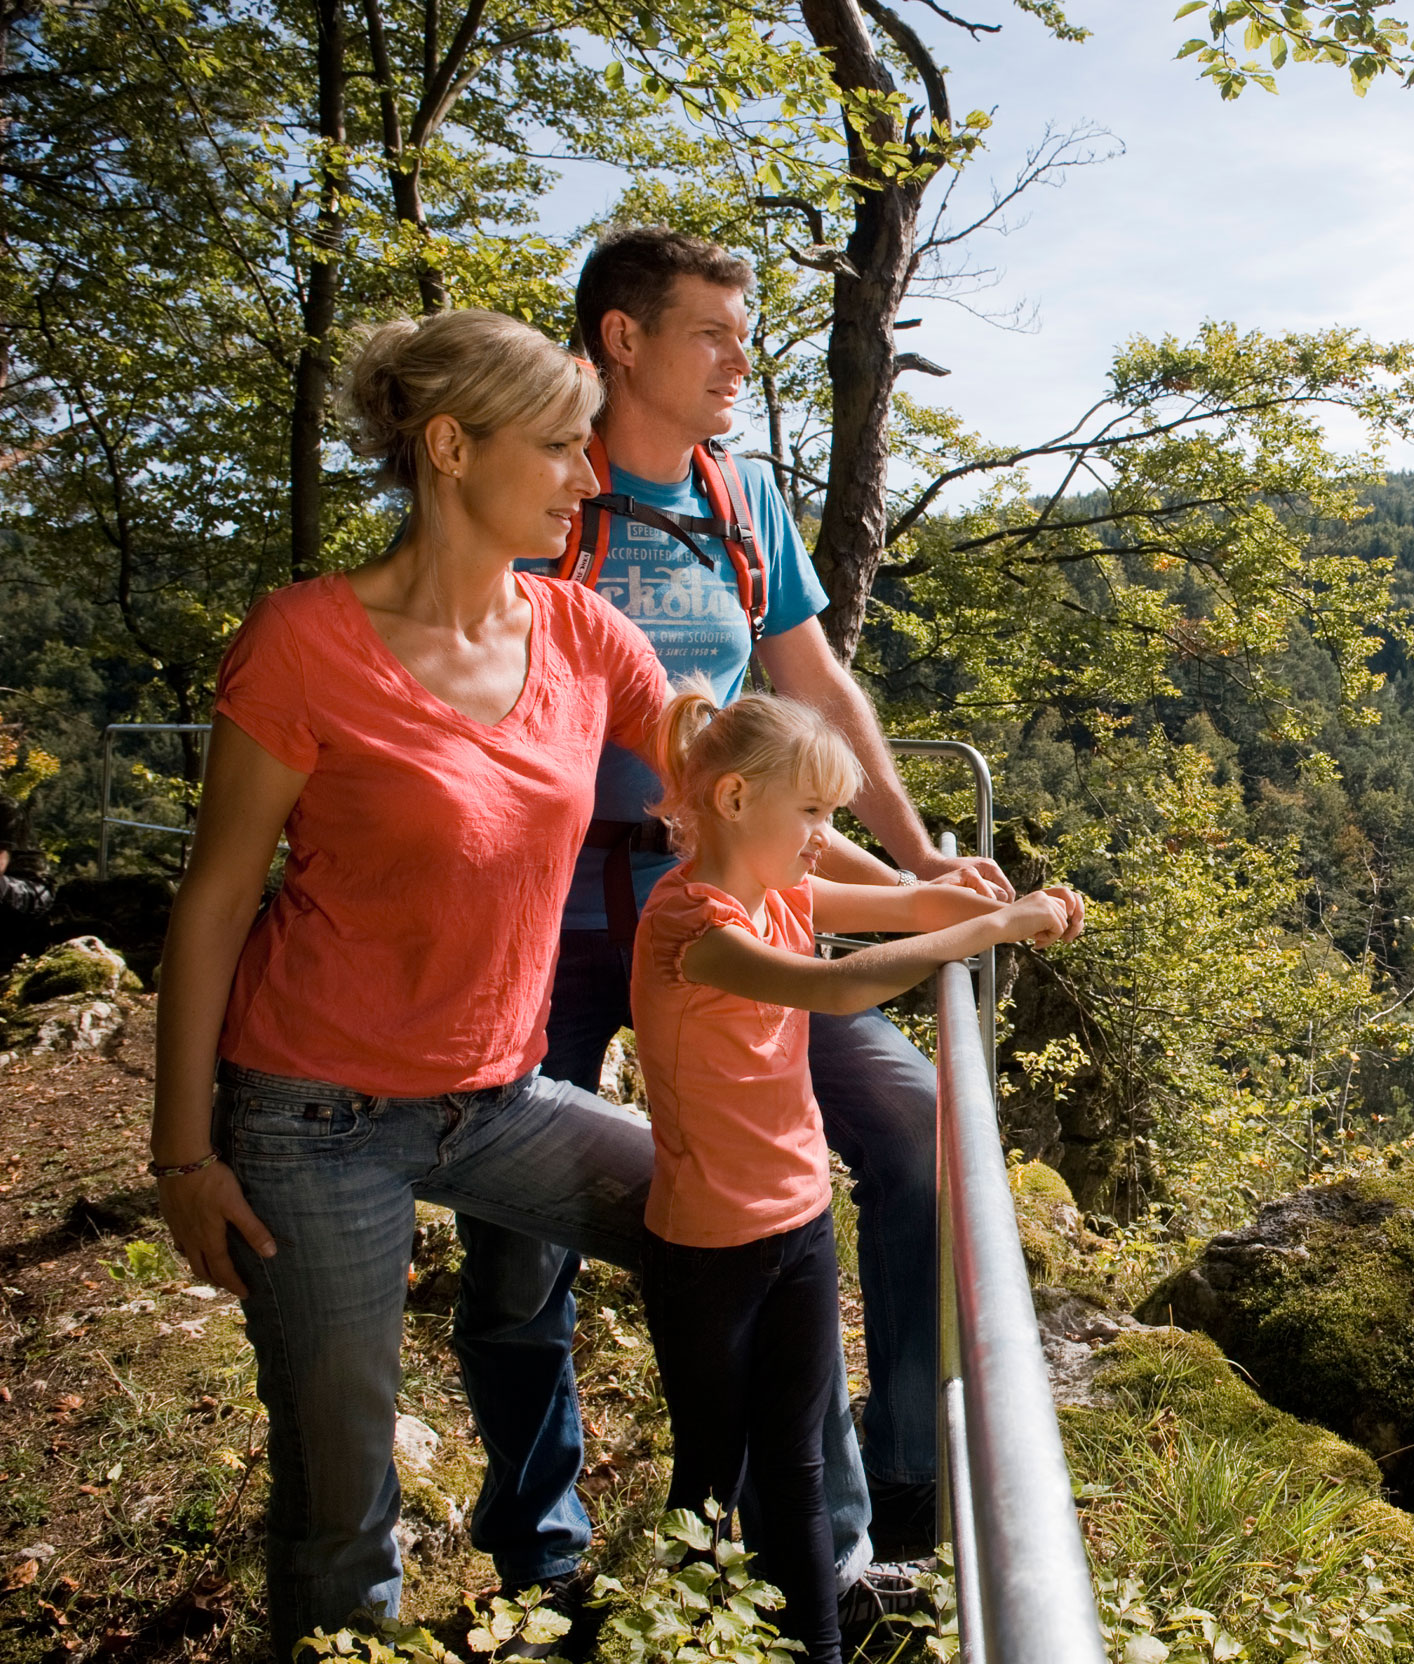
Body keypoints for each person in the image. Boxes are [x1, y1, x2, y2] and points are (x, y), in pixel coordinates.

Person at [146, 310, 675, 1650]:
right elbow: (214, 902)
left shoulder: (585, 635)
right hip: (309, 1116)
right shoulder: (304, 640)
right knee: (344, 1504)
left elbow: (739, 783)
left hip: (503, 1097)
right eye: (559, 445)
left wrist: (922, 887)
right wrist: (182, 1156)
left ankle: (760, 1570)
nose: (587, 477)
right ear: (451, 447)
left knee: (739, 1229)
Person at [485, 226, 995, 1601]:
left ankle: (889, 1507)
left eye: (745, 331)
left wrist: (913, 855)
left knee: (915, 1133)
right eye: (713, 331)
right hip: (547, 919)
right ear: (621, 340)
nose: (739, 358)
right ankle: (544, 1563)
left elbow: (818, 688)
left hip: (737, 904)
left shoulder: (739, 496)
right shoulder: (533, 484)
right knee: (519, 1241)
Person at [631, 681, 1080, 1663]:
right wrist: (989, 932)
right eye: (813, 813)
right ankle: (673, 1641)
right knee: (712, 1466)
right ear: (737, 799)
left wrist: (1001, 898)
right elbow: (837, 986)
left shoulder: (782, 889)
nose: (821, 837)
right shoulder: (692, 924)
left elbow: (905, 901)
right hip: (708, 1247)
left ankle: (818, 1650)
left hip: (796, 1222)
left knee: (793, 1459)